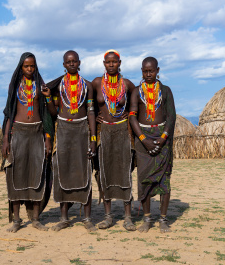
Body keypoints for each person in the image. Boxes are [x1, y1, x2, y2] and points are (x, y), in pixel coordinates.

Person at [44, 50, 98, 232]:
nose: (72, 64)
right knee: (63, 173)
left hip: (82, 130)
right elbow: (53, 113)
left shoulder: (87, 86)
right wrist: (47, 98)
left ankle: (87, 217)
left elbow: (91, 112)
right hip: (64, 130)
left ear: (79, 62)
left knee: (85, 173)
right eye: (68, 62)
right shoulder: (58, 87)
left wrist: (93, 139)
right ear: (64, 65)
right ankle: (64, 218)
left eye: (75, 61)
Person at [1, 52, 54, 233]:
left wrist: (48, 139)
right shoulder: (15, 85)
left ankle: (36, 219)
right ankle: (16, 220)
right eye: (26, 66)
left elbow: (48, 115)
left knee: (37, 175)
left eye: (32, 66)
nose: (30, 69)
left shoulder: (41, 86)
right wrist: (5, 140)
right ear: (21, 67)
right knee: (16, 175)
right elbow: (9, 113)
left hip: (37, 133)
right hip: (18, 133)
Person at [129, 57, 176, 233]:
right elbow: (132, 116)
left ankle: (163, 219)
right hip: (143, 138)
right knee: (144, 179)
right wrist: (143, 138)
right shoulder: (136, 91)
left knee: (165, 180)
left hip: (163, 136)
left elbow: (171, 116)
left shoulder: (165, 91)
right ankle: (147, 219)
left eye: (151, 71)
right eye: (145, 71)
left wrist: (164, 137)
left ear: (158, 70)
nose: (148, 74)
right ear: (142, 71)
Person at [92, 50, 136, 231]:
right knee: (105, 173)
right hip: (105, 133)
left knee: (124, 172)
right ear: (104, 63)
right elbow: (90, 106)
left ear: (120, 63)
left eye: (114, 62)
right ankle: (108, 216)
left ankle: (128, 217)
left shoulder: (126, 84)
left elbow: (137, 102)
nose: (111, 65)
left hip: (122, 131)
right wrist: (94, 117)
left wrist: (130, 113)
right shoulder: (96, 83)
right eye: (108, 62)